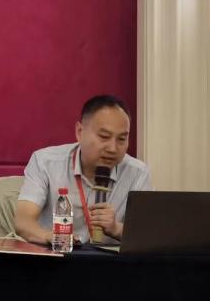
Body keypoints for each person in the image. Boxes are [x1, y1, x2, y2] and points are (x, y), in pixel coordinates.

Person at [14, 94, 152, 245]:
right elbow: (23, 222)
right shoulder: (45, 162)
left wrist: (116, 228)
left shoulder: (137, 173)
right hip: (57, 254)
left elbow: (148, 235)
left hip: (110, 258)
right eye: (104, 136)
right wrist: (52, 237)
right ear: (80, 132)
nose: (113, 148)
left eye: (121, 139)